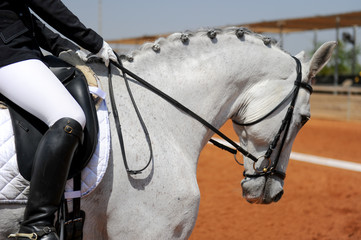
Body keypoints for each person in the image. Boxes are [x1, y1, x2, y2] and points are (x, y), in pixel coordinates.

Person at [0, 0, 117, 239]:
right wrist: (95, 42)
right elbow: (45, 4)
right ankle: (35, 224)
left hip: (19, 51)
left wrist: (62, 47)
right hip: (8, 57)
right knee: (69, 117)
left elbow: (23, 17)